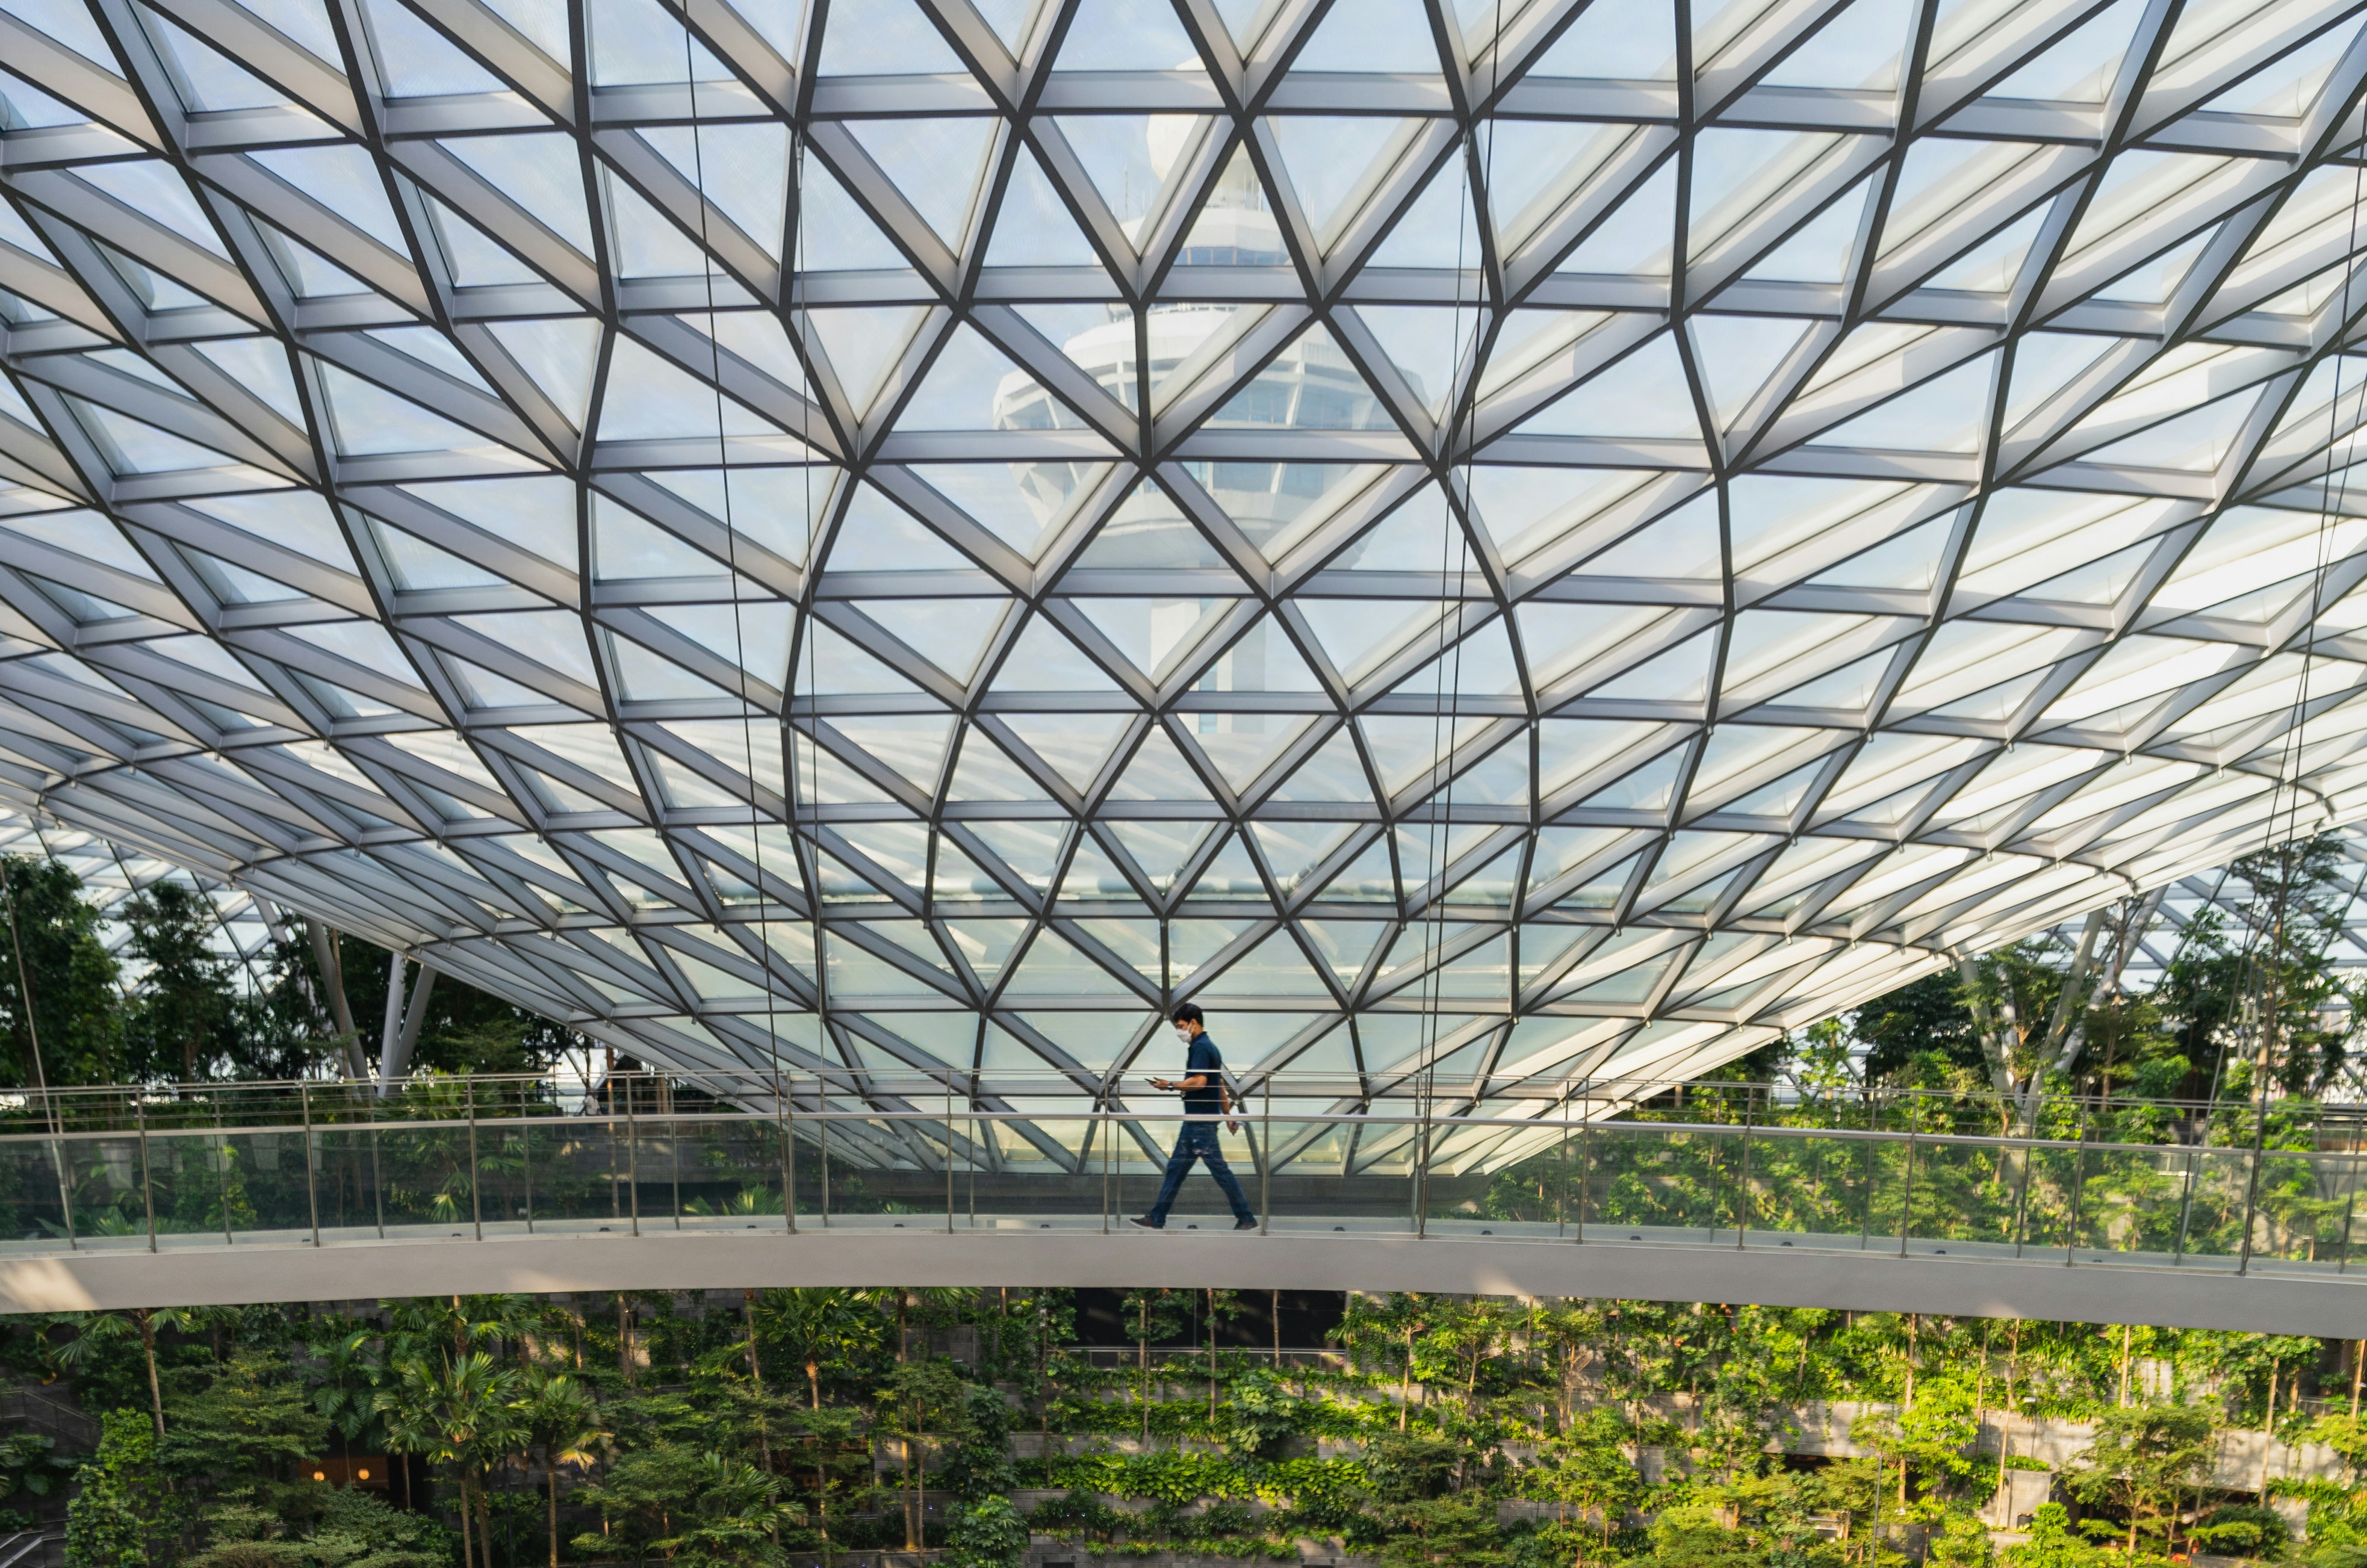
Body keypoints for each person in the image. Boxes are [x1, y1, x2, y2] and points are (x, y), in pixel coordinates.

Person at [1128, 1003, 1258, 1231]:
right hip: (1197, 1122)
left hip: (1201, 1124)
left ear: (1193, 1023)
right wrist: (1227, 1116)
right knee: (1175, 1169)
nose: (1179, 1031)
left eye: (1180, 1026)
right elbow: (1218, 1084)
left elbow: (1200, 1082)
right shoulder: (1210, 1047)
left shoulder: (1200, 1047)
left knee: (1220, 1171)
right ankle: (1157, 1217)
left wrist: (1170, 1085)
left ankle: (1246, 1217)